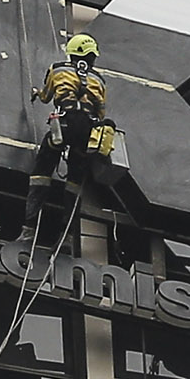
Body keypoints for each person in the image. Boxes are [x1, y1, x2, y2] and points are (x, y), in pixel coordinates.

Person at [29, 32, 119, 233]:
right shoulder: (100, 81)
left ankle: (29, 226)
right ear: (91, 57)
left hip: (64, 126)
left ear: (72, 54)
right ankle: (67, 233)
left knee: (42, 171)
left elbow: (46, 96)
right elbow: (101, 111)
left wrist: (37, 93)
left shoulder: (57, 70)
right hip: (86, 133)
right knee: (75, 181)